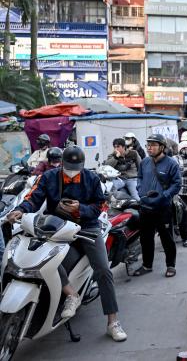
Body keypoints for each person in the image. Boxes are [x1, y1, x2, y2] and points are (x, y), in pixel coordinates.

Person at [6, 146, 127, 341]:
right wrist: (21, 210)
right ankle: (71, 294)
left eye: (75, 168)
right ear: (62, 164)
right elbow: (33, 198)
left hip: (87, 227)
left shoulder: (92, 179)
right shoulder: (48, 177)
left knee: (103, 271)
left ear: (82, 166)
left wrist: (81, 209)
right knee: (43, 259)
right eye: (68, 167)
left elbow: (99, 206)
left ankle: (113, 321)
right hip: (57, 226)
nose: (71, 172)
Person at [134, 134, 182, 278]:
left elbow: (177, 184)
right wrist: (140, 190)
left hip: (163, 208)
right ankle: (147, 265)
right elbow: (140, 177)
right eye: (148, 145)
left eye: (153, 145)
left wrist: (164, 195)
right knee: (146, 238)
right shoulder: (144, 162)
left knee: (166, 238)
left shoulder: (171, 164)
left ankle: (171, 266)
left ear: (162, 147)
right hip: (145, 207)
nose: (150, 148)